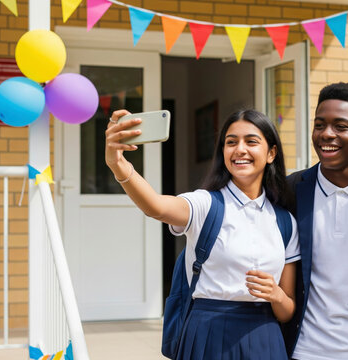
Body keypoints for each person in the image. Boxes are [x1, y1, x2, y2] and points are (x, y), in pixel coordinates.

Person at [105, 108, 300, 360]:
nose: (239, 149)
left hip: (264, 338)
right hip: (207, 333)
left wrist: (276, 295)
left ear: (271, 153)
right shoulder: (205, 204)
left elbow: (287, 310)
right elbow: (156, 206)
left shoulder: (285, 222)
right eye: (231, 142)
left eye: (251, 141)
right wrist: (118, 164)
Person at [282, 83, 348, 359]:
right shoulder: (290, 191)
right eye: (320, 125)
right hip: (305, 350)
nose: (326, 134)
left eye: (340, 126)